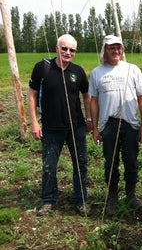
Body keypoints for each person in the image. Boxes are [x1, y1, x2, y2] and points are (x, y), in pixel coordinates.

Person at [29, 34, 92, 217]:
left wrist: (88, 120)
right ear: (57, 48)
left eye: (71, 50)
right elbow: (32, 94)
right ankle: (48, 200)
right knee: (49, 165)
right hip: (50, 128)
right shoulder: (43, 68)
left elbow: (86, 96)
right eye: (64, 48)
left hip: (76, 128)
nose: (67, 52)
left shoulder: (78, 72)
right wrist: (34, 122)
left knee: (80, 165)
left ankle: (80, 200)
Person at [88, 35, 142, 215]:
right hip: (109, 124)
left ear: (122, 50)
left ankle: (131, 194)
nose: (115, 51)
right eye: (111, 48)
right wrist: (96, 128)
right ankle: (112, 195)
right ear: (105, 50)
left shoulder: (132, 69)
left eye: (118, 48)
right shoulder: (97, 73)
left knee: (131, 160)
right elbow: (94, 101)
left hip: (130, 123)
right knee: (111, 161)